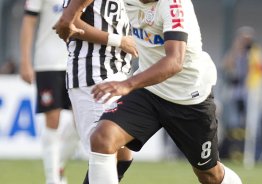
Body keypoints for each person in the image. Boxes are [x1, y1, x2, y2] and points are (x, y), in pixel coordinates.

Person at [54, 0, 242, 183]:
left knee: (210, 175)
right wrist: (68, 17)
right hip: (149, 91)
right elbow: (70, 16)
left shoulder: (175, 5)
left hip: (188, 99)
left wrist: (127, 84)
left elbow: (174, 61)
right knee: (102, 138)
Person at [53, 0, 138, 183]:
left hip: (119, 75)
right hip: (93, 74)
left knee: (123, 156)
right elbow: (69, 22)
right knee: (105, 150)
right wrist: (119, 41)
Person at [19, 0, 80, 183]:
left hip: (78, 61)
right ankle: (52, 179)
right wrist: (25, 61)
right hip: (48, 61)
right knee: (52, 120)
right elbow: (29, 22)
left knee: (81, 123)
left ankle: (58, 164)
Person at [220, 26, 262, 159]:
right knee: (233, 123)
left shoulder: (256, 53)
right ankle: (233, 152)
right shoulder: (235, 52)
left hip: (250, 92)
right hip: (235, 91)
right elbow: (226, 65)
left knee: (253, 125)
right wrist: (236, 48)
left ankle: (255, 154)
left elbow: (261, 70)